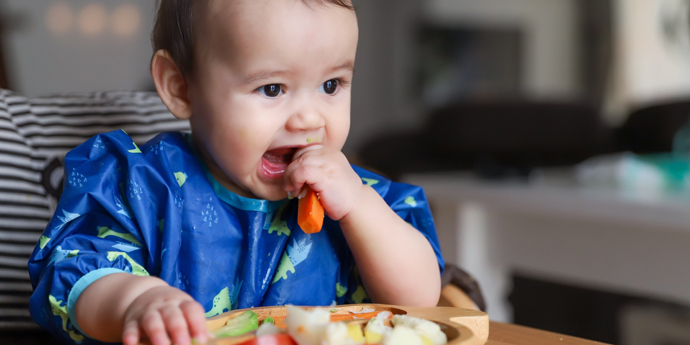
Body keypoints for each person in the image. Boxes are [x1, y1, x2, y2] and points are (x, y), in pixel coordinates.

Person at [28, 1, 444, 344]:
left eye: (331, 85)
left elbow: (422, 301)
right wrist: (138, 302)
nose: (309, 119)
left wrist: (359, 207)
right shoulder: (140, 186)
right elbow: (76, 275)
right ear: (180, 87)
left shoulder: (361, 198)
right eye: (272, 89)